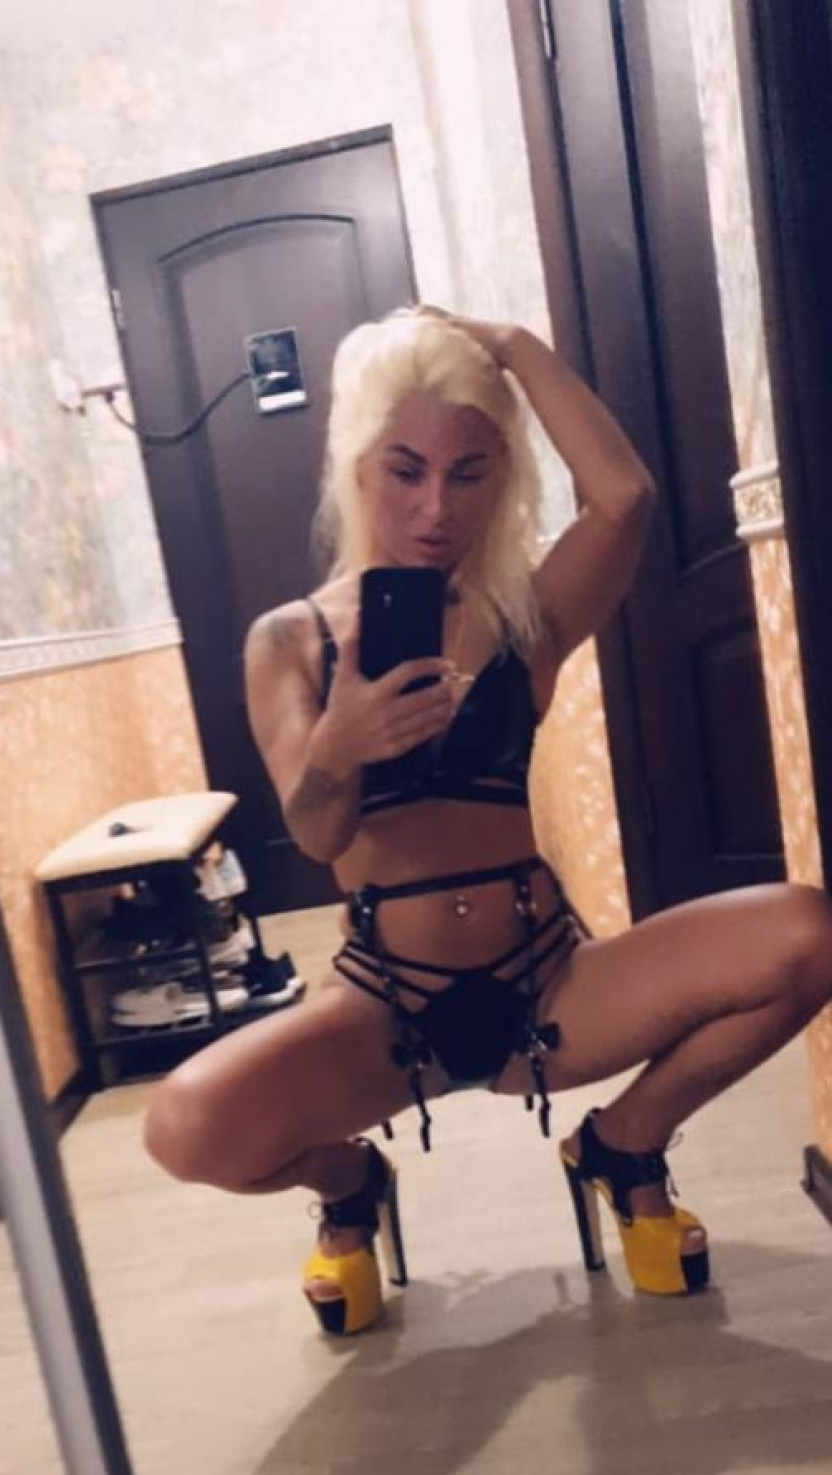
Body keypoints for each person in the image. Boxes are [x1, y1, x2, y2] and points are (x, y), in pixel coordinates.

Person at [143, 306, 832, 1335]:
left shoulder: (523, 617)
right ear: (356, 464)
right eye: (405, 469)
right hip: (386, 1008)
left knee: (808, 933)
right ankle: (349, 1185)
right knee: (185, 1123)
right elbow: (319, 834)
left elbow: (625, 496)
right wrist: (342, 741)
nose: (435, 508)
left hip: (547, 982)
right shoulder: (288, 640)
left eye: (468, 473)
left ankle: (623, 1144)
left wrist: (512, 345)